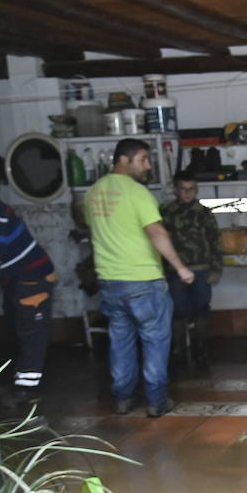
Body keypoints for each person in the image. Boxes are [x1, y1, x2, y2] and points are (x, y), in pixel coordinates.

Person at [85, 138, 195, 417]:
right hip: (143, 280)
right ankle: (156, 401)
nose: (148, 166)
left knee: (120, 341)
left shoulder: (93, 193)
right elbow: (157, 233)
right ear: (123, 159)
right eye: (143, 159)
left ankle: (122, 398)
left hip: (110, 281)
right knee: (155, 340)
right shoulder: (137, 193)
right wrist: (180, 268)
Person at [0, 191, 57, 409]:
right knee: (19, 329)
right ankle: (19, 385)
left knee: (31, 334)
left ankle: (27, 391)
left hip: (32, 278)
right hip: (15, 280)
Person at [160, 171, 223, 365]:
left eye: (191, 189)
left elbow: (215, 241)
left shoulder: (204, 212)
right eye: (183, 189)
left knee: (201, 309)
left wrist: (216, 269)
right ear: (176, 190)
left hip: (201, 269)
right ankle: (178, 350)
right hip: (174, 270)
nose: (187, 193)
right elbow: (159, 241)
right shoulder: (166, 212)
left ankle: (200, 349)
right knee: (177, 311)